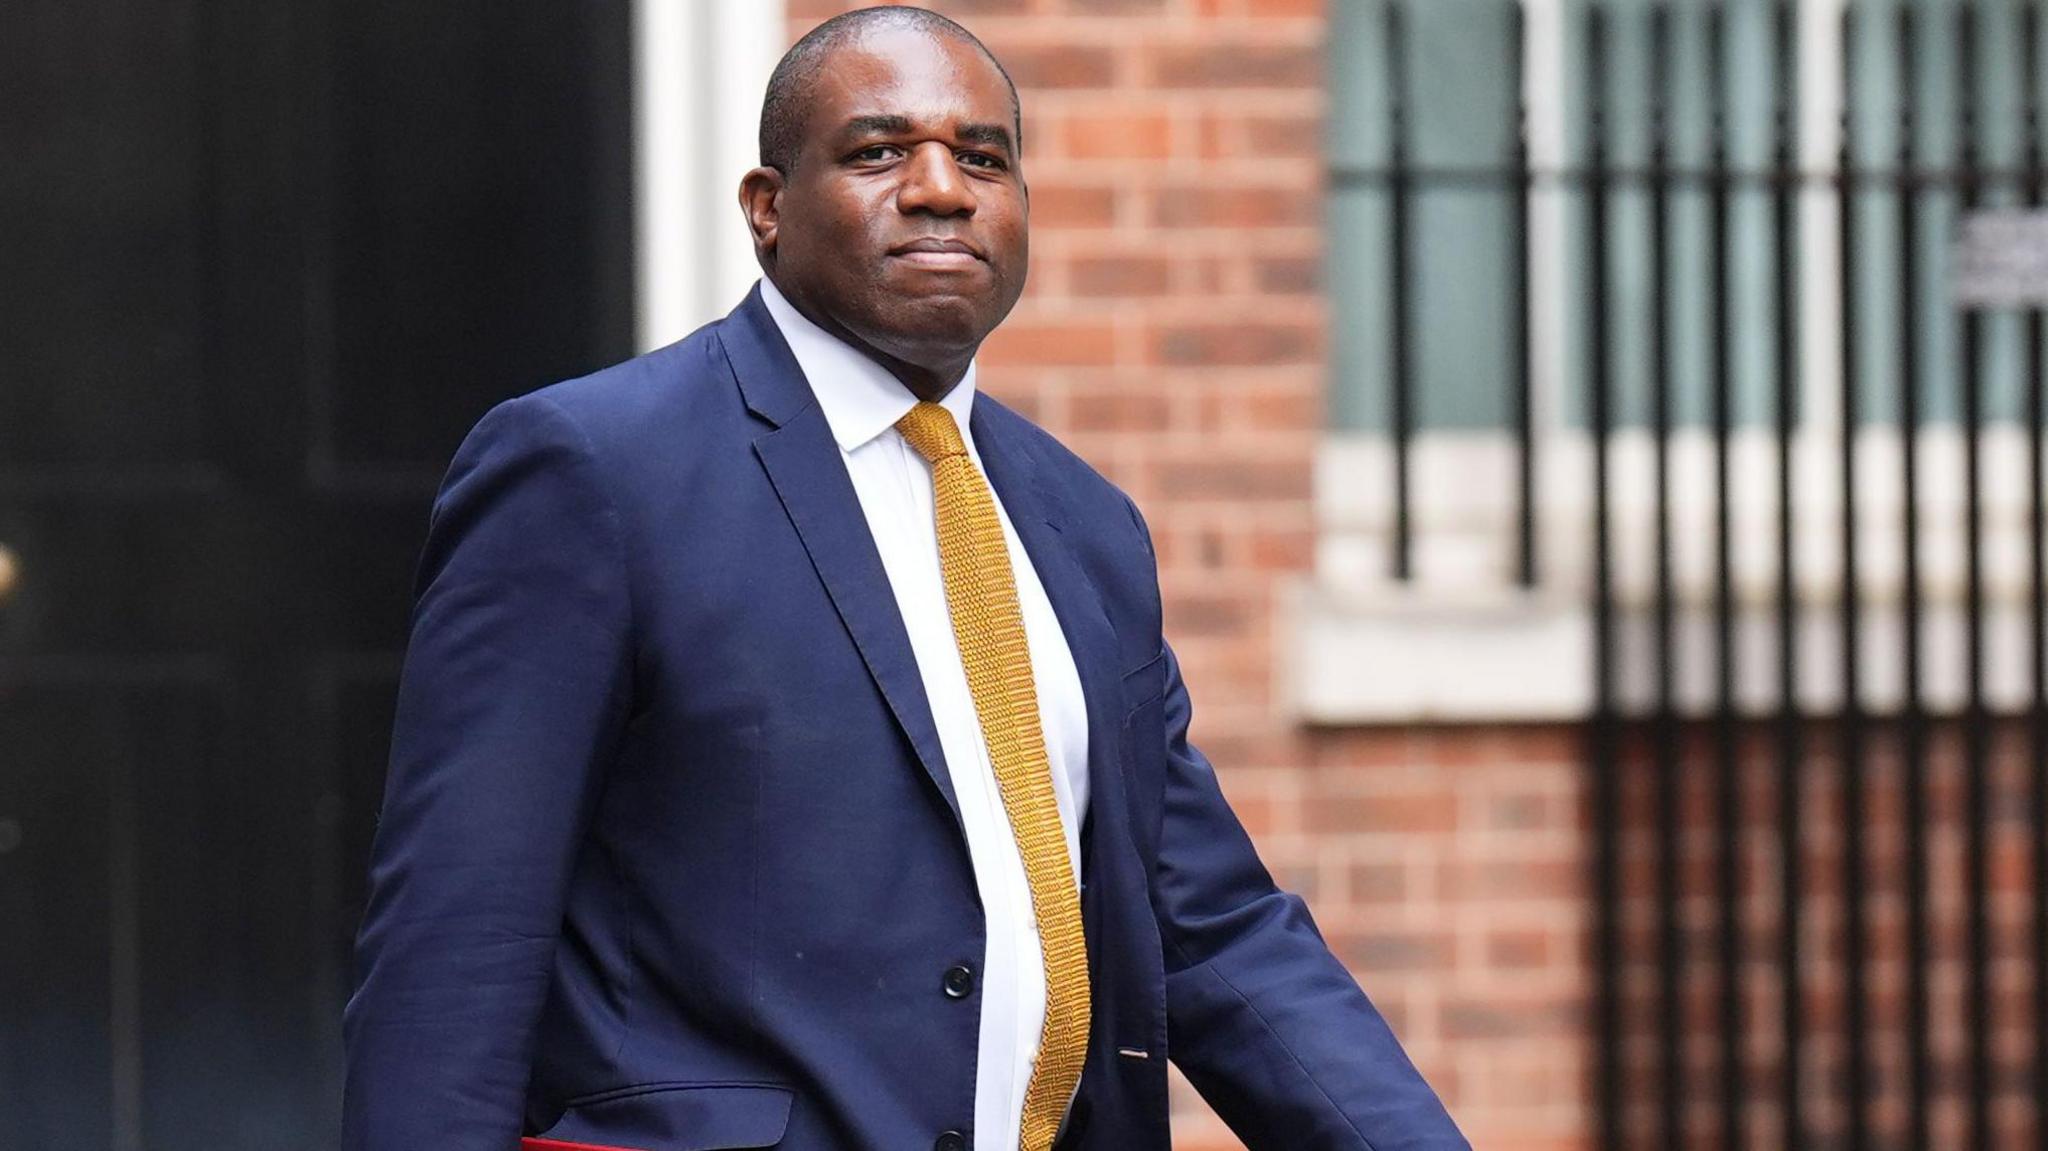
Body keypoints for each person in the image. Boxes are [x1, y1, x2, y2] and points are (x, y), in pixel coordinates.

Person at [340, 7, 1466, 1151]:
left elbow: (1210, 925)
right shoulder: (594, 471)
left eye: (983, 157)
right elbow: (457, 944)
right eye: (878, 153)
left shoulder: (1084, 526)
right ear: (765, 207)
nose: (941, 189)